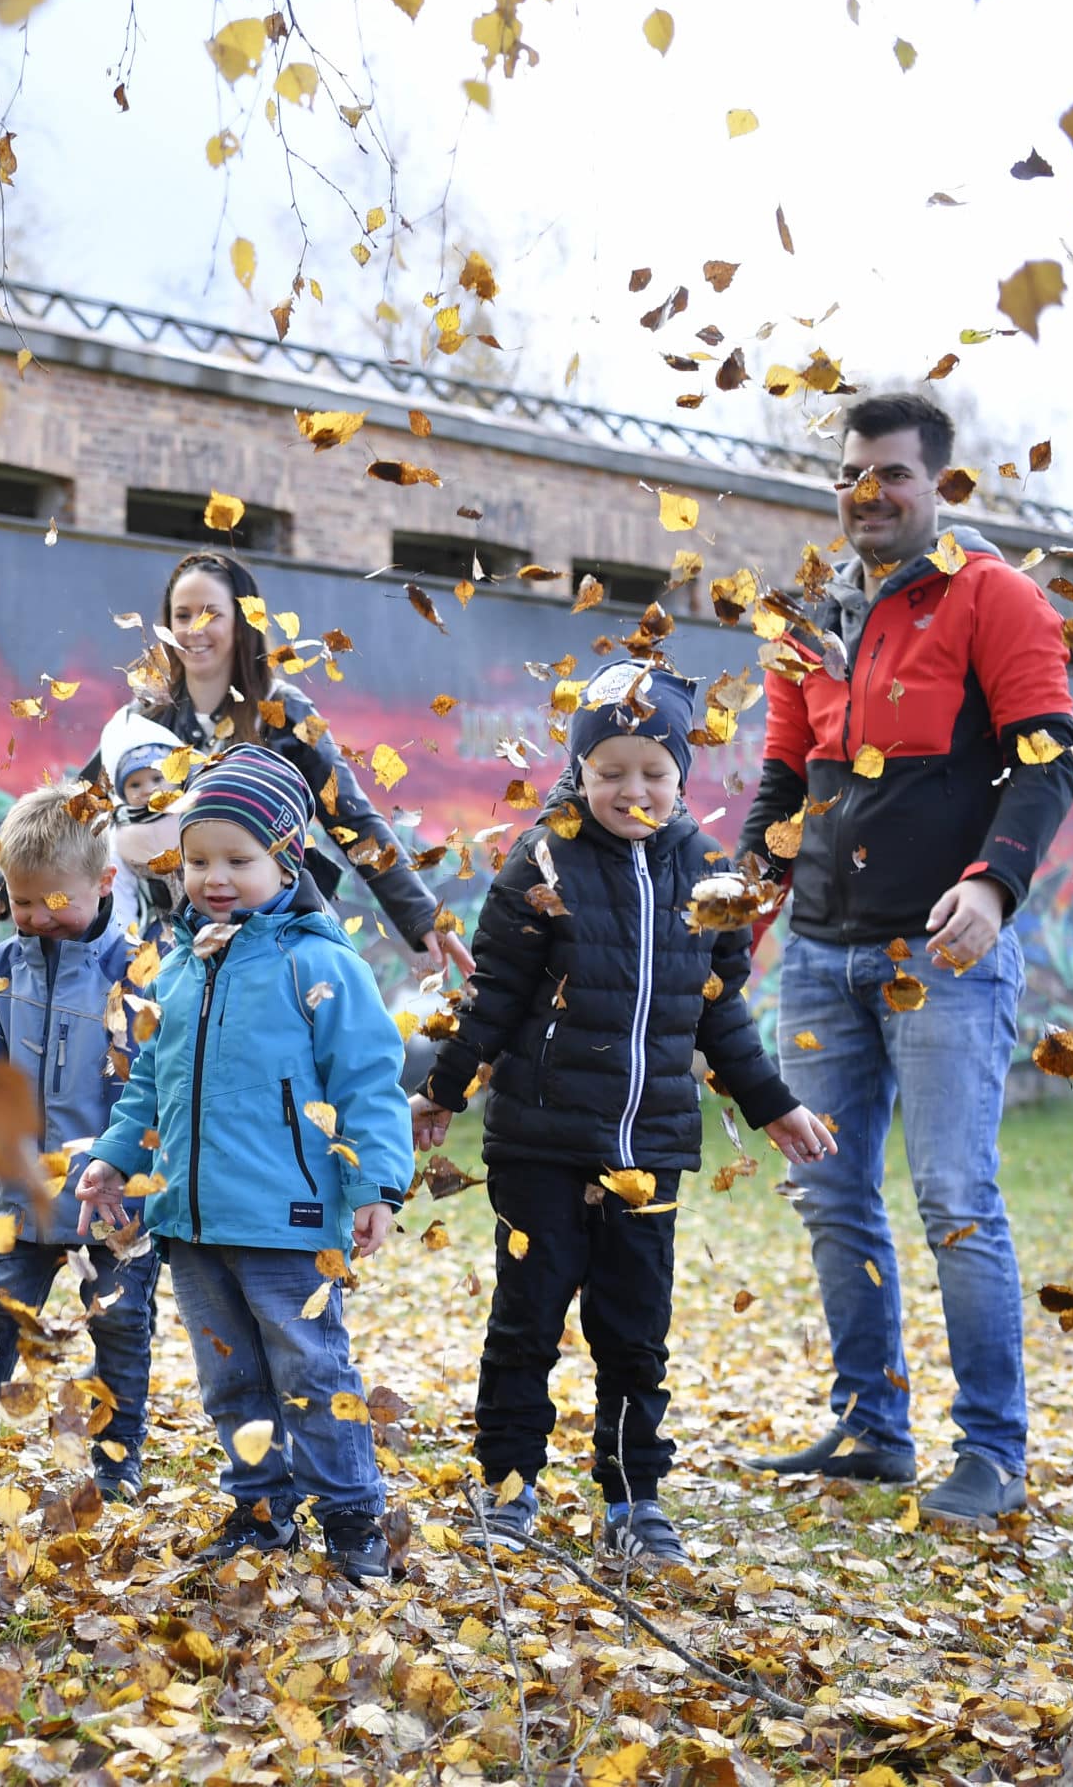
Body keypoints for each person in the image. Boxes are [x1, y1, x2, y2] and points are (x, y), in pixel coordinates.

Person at [740, 390, 1073, 1525]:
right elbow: (785, 785)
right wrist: (743, 904)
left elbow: (1046, 759)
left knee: (952, 1198)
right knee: (828, 1192)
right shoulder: (807, 619)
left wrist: (994, 884)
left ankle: (991, 1451)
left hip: (942, 954)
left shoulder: (993, 596)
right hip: (819, 957)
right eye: (850, 474)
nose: (866, 493)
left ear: (938, 484)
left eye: (889, 474)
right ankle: (871, 1429)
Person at [410, 663, 838, 1566]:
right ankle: (509, 1487)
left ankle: (634, 1498)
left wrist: (773, 1106)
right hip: (540, 1139)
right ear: (580, 772)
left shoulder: (710, 876)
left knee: (635, 1327)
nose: (632, 789)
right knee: (529, 1317)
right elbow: (493, 998)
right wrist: (444, 1092)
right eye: (611, 770)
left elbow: (717, 1009)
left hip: (652, 1146)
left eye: (653, 771)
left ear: (682, 775)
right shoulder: (542, 859)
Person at [74, 744, 413, 1583]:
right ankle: (261, 1509)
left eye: (238, 859)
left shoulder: (319, 964)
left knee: (310, 1365)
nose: (214, 877)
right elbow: (149, 1081)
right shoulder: (180, 968)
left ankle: (349, 1512)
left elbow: (369, 1081)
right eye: (196, 860)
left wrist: (374, 1185)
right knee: (228, 1375)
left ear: (287, 858)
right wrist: (116, 1159)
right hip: (189, 1219)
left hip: (288, 1219)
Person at [0, 551, 474, 979]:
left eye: (210, 613)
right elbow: (76, 809)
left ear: (243, 618)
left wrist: (422, 914)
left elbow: (353, 819)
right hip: (165, 944)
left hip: (268, 938)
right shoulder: (145, 715)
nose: (193, 629)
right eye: (182, 615)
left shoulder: (286, 712)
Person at [0, 782, 162, 1503]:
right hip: (19, 1190)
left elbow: (161, 1084)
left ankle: (117, 1458)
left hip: (114, 1203)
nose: (38, 919)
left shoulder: (137, 974)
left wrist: (135, 1165)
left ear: (104, 883)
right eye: (22, 904)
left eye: (56, 903)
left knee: (122, 1323)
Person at [97, 704, 187, 946]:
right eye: (135, 785)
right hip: (164, 929)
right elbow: (122, 892)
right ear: (122, 791)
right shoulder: (121, 833)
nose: (148, 789)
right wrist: (125, 938)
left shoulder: (193, 812)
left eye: (157, 778)